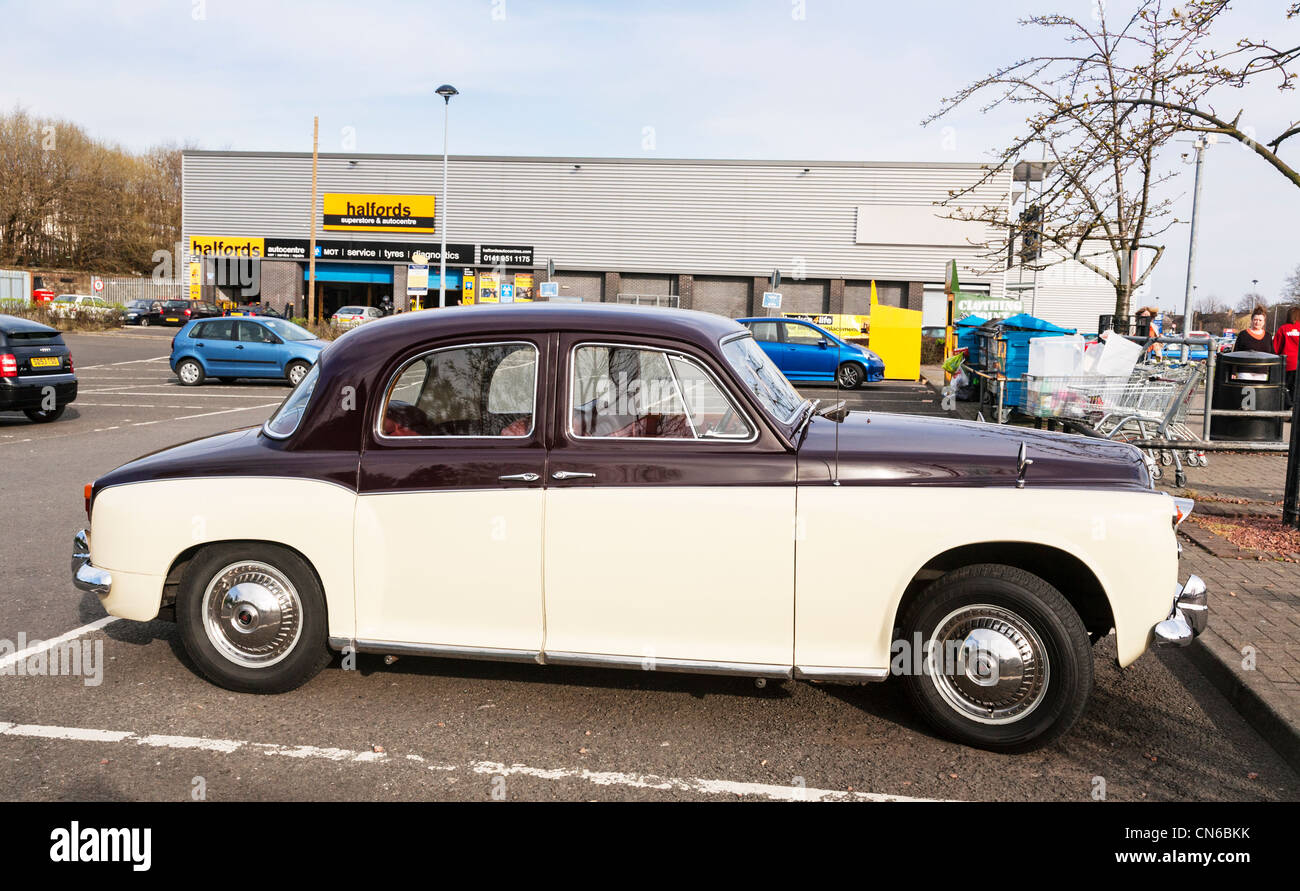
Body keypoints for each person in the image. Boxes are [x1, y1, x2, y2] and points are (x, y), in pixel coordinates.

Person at [1273, 307, 1300, 404]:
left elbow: (1275, 349)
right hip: (1298, 365)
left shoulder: (1283, 329)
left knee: (1285, 388)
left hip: (1287, 365)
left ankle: (1288, 407)